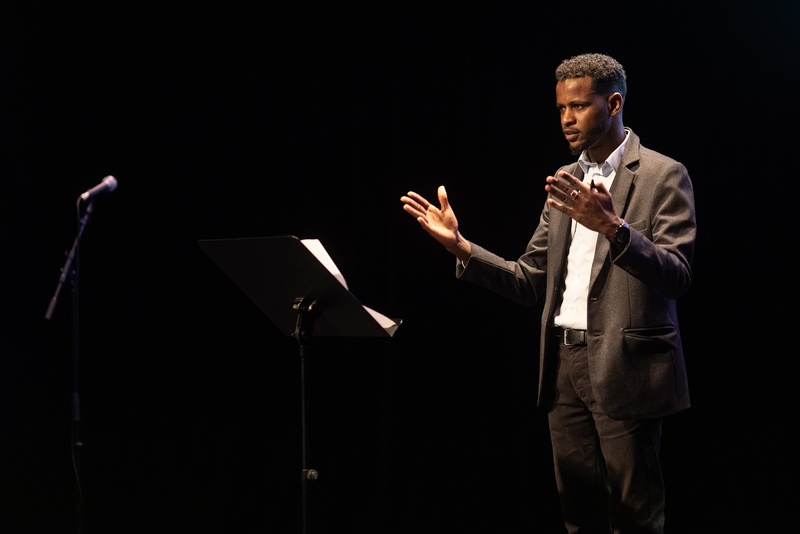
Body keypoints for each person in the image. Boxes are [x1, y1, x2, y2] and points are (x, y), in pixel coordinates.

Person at [400, 52, 696, 533]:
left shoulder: (662, 174)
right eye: (560, 108)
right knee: (579, 515)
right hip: (562, 365)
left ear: (613, 104)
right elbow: (528, 278)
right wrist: (461, 247)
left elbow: (677, 275)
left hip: (625, 364)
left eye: (578, 106)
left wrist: (614, 228)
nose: (566, 119)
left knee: (635, 516)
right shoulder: (564, 180)